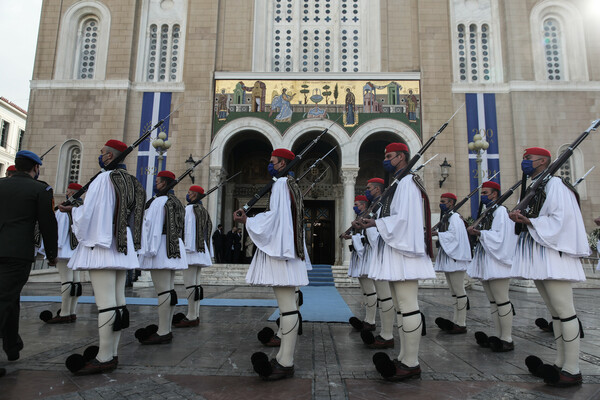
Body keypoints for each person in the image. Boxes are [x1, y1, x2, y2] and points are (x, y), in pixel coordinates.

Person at [62, 139, 145, 375]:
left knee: (106, 303)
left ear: (109, 156)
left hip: (103, 245)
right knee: (118, 301)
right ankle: (112, 352)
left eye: (101, 153)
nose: (100, 156)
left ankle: (104, 356)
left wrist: (73, 211)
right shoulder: (134, 182)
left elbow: (90, 214)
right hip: (122, 243)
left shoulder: (103, 179)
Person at [509, 147, 589, 387]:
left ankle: (572, 368)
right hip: (542, 255)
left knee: (565, 311)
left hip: (555, 255)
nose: (525, 163)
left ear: (543, 161)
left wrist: (530, 220)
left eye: (528, 159)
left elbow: (561, 219)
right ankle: (560, 362)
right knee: (556, 313)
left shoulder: (555, 185)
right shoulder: (539, 185)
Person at [360, 142, 435, 382]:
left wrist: (376, 224)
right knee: (402, 308)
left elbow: (405, 220)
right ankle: (404, 356)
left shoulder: (409, 183)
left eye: (389, 156)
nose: (386, 159)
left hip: (405, 252)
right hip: (396, 250)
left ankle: (411, 363)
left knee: (408, 305)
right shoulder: (399, 183)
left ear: (402, 157)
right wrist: (374, 222)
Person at [234, 148, 311, 381]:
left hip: (281, 250)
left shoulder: (280, 185)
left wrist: (248, 220)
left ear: (282, 164)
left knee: (287, 306)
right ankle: (283, 357)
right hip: (289, 249)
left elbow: (275, 218)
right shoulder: (290, 184)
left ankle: (285, 361)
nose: (269, 165)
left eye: (272, 162)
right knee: (288, 305)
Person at [0, 150, 58, 378]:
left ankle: (12, 346)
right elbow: (47, 223)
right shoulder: (40, 189)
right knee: (4, 299)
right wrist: (52, 253)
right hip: (17, 253)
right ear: (35, 168)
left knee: (10, 298)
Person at [137, 170, 188, 344]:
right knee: (169, 289)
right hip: (173, 247)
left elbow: (151, 226)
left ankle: (163, 331)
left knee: (163, 290)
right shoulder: (176, 201)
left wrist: (147, 250)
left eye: (158, 182)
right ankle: (165, 327)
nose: (155, 184)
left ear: (165, 183)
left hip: (160, 248)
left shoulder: (160, 202)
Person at [467, 181, 518, 352]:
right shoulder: (488, 212)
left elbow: (501, 236)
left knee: (502, 300)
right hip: (487, 260)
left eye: (486, 192)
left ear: (494, 194)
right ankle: (498, 335)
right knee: (493, 301)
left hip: (497, 262)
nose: (483, 196)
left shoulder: (501, 211)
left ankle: (507, 338)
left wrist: (480, 233)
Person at [357, 178, 396, 349]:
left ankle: (387, 335)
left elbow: (385, 228)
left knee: (385, 295)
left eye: (369, 188)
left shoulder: (384, 205)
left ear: (378, 189)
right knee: (383, 294)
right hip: (377, 253)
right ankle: (382, 331)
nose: (367, 191)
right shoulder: (377, 206)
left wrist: (368, 227)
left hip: (382, 253)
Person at [41, 182, 85, 324]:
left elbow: (58, 232)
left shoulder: (63, 209)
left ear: (71, 193)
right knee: (76, 282)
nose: (66, 193)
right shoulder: (82, 208)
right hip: (78, 250)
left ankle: (65, 313)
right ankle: (72, 311)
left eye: (68, 191)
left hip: (65, 249)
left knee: (66, 281)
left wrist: (53, 250)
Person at [173, 185, 213, 328]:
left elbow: (188, 231)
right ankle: (195, 314)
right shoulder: (203, 211)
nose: (188, 194)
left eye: (190, 192)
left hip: (191, 251)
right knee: (196, 285)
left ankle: (191, 316)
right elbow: (208, 230)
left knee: (190, 284)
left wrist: (185, 248)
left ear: (195, 195)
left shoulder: (189, 209)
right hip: (201, 250)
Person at [432, 193, 472, 334]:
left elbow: (454, 236)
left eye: (443, 201)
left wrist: (437, 234)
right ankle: (456, 320)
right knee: (454, 292)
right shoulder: (447, 217)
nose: (441, 203)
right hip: (449, 259)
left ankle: (461, 322)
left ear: (451, 203)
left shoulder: (455, 218)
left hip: (455, 258)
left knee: (459, 290)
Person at [344, 195, 377, 333]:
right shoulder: (361, 217)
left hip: (366, 254)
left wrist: (352, 237)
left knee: (370, 289)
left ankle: (371, 320)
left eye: (357, 204)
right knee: (364, 289)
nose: (355, 207)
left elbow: (372, 236)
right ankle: (367, 319)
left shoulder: (369, 216)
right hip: (359, 254)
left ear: (363, 205)